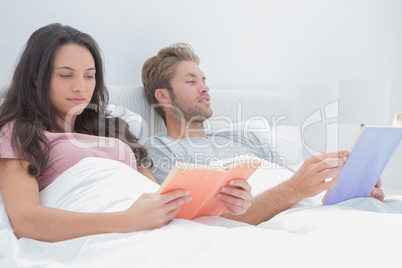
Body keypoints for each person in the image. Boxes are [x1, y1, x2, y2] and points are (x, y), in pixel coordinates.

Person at [0, 25, 251, 242]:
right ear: (36, 78)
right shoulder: (21, 133)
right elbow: (25, 220)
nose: (80, 87)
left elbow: (158, 198)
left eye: (90, 76)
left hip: (154, 227)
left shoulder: (112, 130)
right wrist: (126, 221)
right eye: (66, 75)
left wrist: (221, 204)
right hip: (116, 230)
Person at [142, 43, 385, 225]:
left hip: (311, 215)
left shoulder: (246, 137)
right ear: (163, 96)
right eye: (191, 81)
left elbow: (297, 187)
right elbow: (198, 222)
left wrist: (351, 194)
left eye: (204, 80)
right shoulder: (160, 151)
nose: (205, 87)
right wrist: (295, 188)